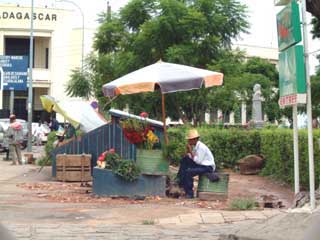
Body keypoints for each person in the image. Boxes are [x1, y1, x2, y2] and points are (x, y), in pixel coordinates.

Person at [177, 129, 215, 198]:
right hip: (201, 165)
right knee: (184, 160)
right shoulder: (196, 146)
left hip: (207, 167)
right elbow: (191, 157)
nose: (188, 141)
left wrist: (190, 151)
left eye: (189, 140)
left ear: (194, 139)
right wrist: (187, 152)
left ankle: (190, 193)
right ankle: (180, 182)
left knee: (188, 172)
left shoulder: (201, 147)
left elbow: (198, 161)